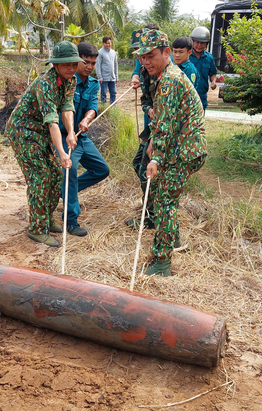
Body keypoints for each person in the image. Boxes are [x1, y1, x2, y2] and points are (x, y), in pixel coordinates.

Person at [134, 29, 207, 277]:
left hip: (185, 150)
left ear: (167, 53)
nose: (145, 62)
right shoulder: (165, 76)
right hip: (179, 147)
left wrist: (155, 157)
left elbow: (165, 126)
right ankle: (172, 238)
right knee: (161, 194)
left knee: (164, 202)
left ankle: (162, 262)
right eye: (142, 57)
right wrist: (155, 143)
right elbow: (165, 122)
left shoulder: (170, 81)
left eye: (150, 56)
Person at [4, 41, 82, 247]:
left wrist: (71, 133)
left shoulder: (70, 80)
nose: (72, 68)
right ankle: (37, 228)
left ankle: (46, 219)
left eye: (74, 64)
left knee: (56, 175)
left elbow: (66, 108)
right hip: (24, 131)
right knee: (40, 177)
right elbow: (52, 120)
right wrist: (62, 152)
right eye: (67, 65)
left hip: (41, 132)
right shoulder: (45, 84)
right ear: (55, 65)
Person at [58, 42, 110, 237]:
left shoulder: (93, 84)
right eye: (86, 62)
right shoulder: (66, 81)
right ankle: (70, 220)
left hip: (82, 135)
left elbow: (93, 107)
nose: (89, 66)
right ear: (77, 60)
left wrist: (87, 120)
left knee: (101, 170)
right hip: (64, 135)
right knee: (70, 171)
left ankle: (66, 191)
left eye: (93, 63)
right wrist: (71, 130)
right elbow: (65, 110)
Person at [126, 25, 159, 230]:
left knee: (149, 171)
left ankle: (154, 218)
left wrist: (155, 139)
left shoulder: (164, 73)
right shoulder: (145, 69)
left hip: (163, 132)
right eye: (139, 54)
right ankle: (150, 214)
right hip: (152, 127)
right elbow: (146, 100)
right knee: (139, 164)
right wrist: (148, 110)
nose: (143, 59)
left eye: (147, 54)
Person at [189, 26, 218, 109]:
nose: (199, 45)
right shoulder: (186, 56)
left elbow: (213, 73)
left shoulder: (209, 58)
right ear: (192, 42)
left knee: (199, 121)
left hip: (202, 97)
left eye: (202, 43)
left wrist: (213, 82)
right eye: (197, 42)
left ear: (206, 44)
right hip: (187, 96)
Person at [96, 36, 118, 104]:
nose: (108, 45)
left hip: (112, 77)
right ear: (103, 43)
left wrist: (116, 77)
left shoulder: (113, 52)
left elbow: (115, 64)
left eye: (109, 43)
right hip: (104, 78)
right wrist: (100, 77)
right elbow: (98, 65)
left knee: (113, 92)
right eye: (106, 43)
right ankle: (104, 107)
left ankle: (113, 107)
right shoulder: (100, 52)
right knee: (103, 93)